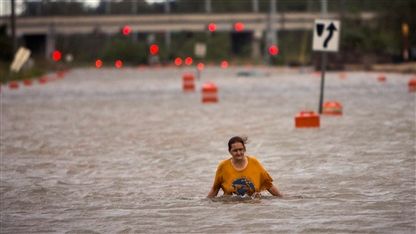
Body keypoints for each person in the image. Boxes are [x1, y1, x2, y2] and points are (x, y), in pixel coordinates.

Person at [207, 136, 283, 198]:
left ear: (245, 149)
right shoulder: (223, 166)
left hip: (252, 207)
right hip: (230, 209)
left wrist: (282, 198)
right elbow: (215, 189)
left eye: (241, 149)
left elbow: (268, 185)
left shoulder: (254, 163)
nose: (239, 153)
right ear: (229, 151)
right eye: (235, 150)